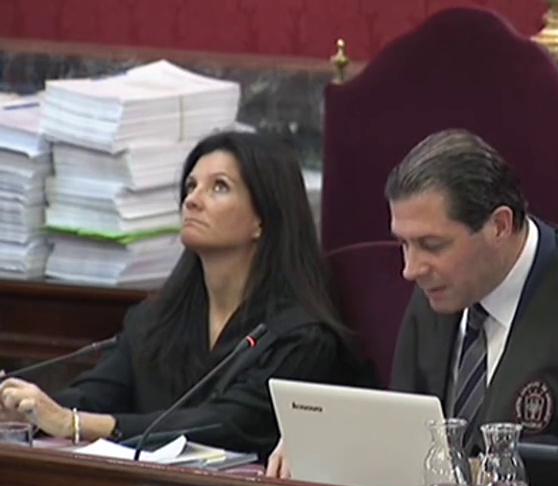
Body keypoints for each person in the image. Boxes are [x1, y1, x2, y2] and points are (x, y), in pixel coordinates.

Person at [266, 129, 558, 477]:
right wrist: (330, 447)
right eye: (404, 244)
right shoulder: (439, 285)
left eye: (432, 244)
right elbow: (406, 431)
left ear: (499, 226)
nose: (410, 269)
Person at [0, 131, 371, 459]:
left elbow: (231, 424)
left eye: (219, 187)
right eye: (191, 186)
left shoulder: (301, 336)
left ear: (263, 218)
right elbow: (97, 393)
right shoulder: (155, 318)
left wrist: (76, 424)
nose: (193, 200)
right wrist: (26, 408)